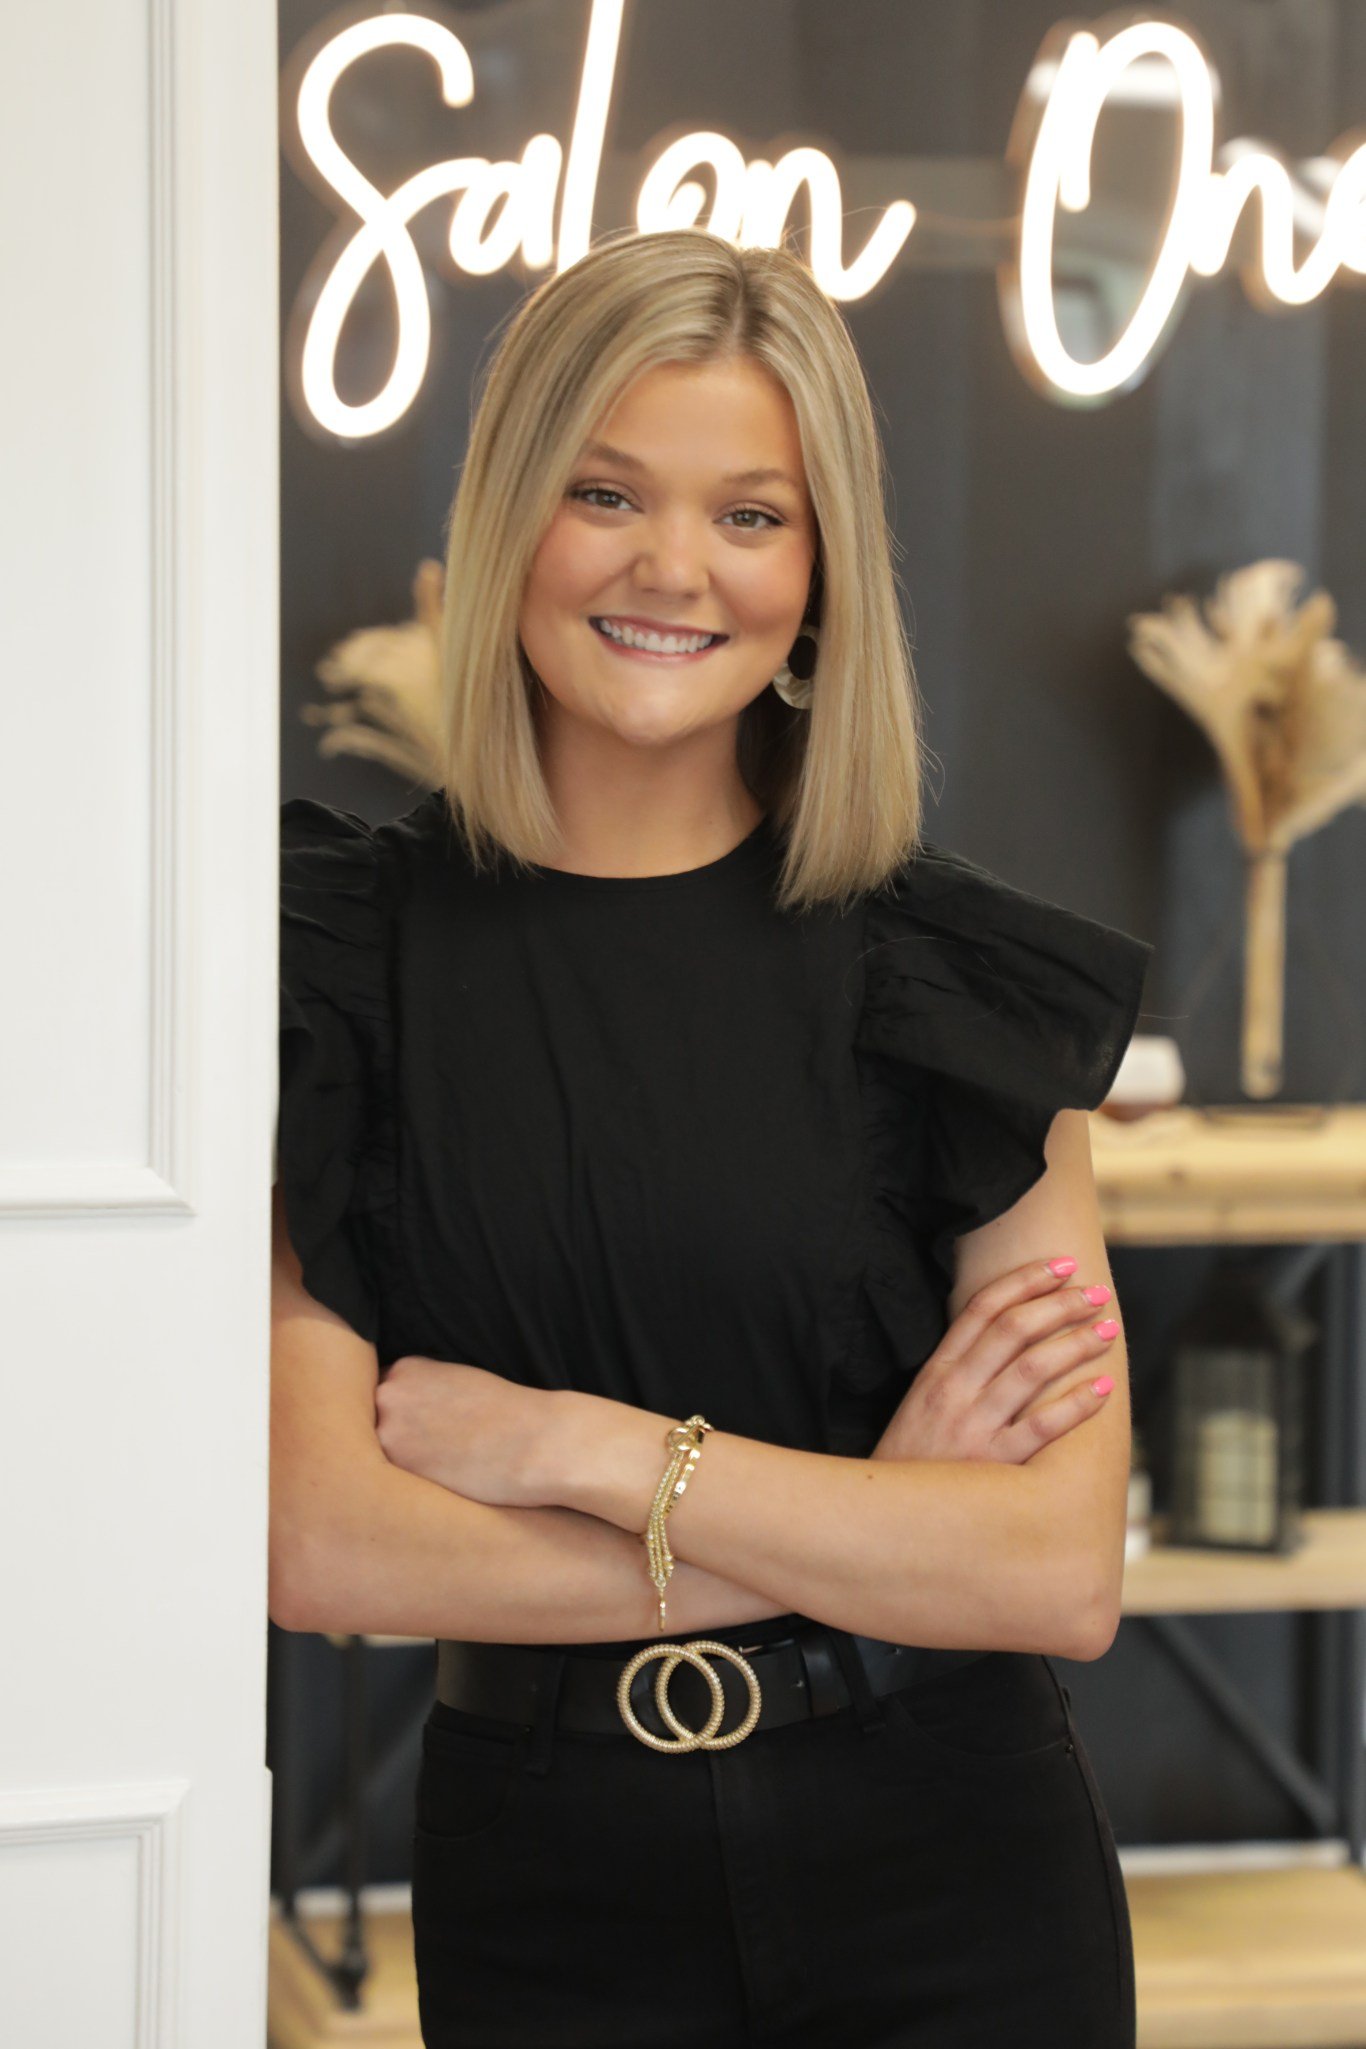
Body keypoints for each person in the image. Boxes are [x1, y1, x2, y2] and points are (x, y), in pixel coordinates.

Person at [271, 225, 1151, 2048]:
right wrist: (873, 1520)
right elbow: (325, 1548)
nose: (672, 567)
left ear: (818, 574)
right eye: (604, 492)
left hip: (955, 1879)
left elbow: (1054, 1574)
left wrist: (581, 1447)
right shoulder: (339, 962)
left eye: (751, 515)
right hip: (551, 1893)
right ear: (510, 513)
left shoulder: (950, 977)